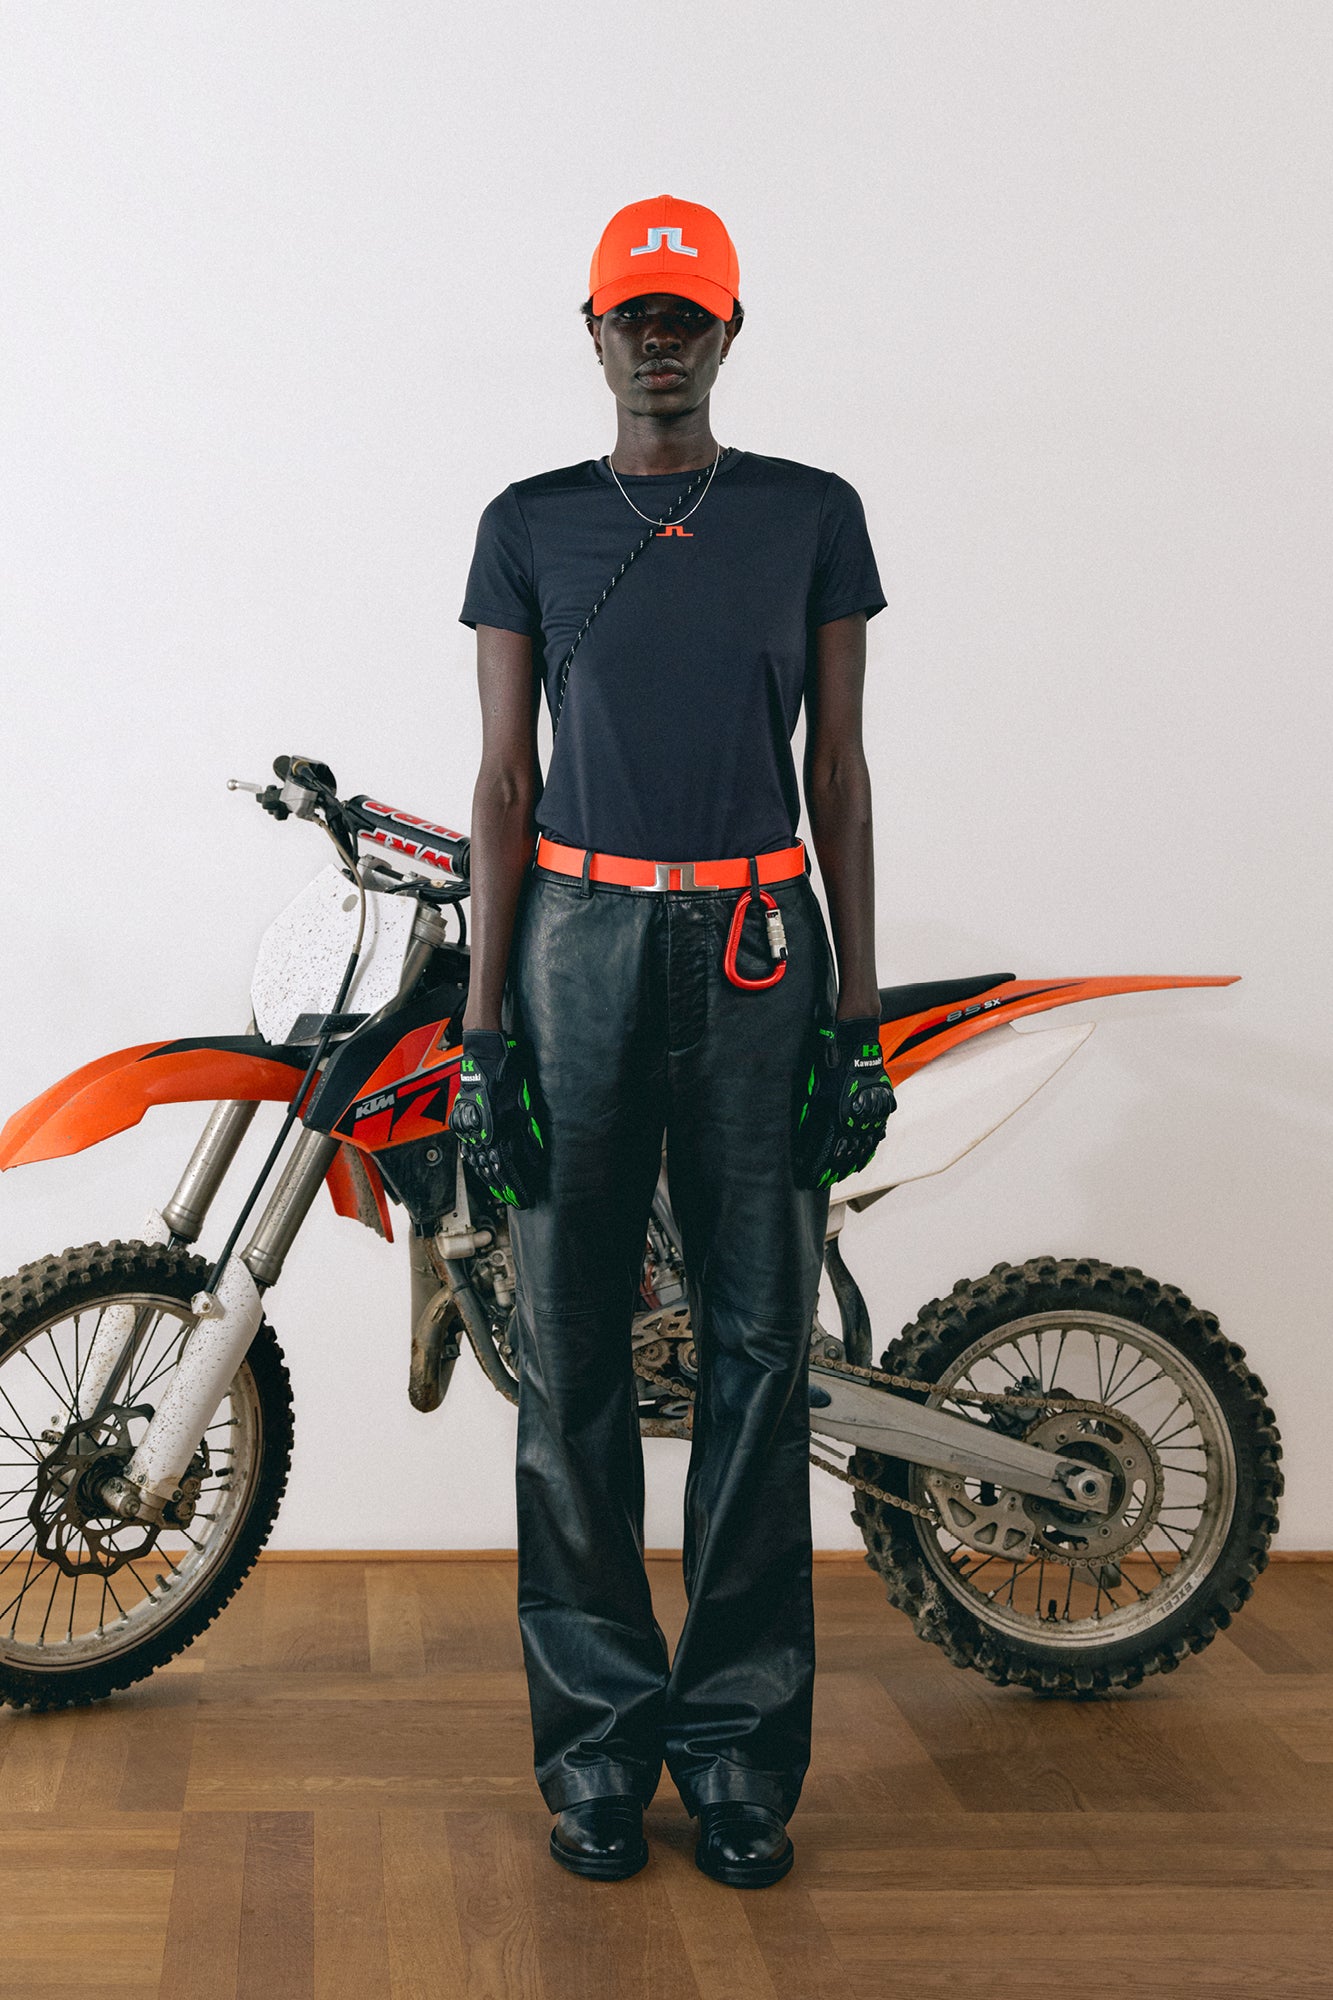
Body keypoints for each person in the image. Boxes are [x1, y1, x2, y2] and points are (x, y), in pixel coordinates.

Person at [449, 194, 894, 1888]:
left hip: (763, 947)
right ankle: (593, 1751)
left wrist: (858, 1015)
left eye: (683, 313)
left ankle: (734, 1757)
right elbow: (504, 782)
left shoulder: (809, 515)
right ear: (591, 331)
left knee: (759, 1355)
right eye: (632, 314)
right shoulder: (527, 525)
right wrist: (483, 1030)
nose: (657, 338)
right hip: (574, 947)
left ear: (726, 331)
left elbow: (836, 770)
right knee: (569, 1356)